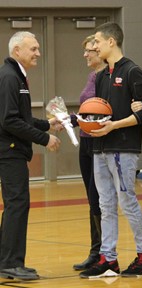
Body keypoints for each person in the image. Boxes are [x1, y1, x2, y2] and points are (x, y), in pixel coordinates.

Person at [79, 22, 142, 279]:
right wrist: (81, 120)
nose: (94, 47)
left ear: (111, 42)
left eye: (98, 43)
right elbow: (100, 109)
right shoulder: (102, 76)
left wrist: (116, 124)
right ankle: (109, 260)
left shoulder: (133, 71)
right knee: (105, 204)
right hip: (99, 147)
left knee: (127, 201)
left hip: (123, 147)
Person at [0, 31, 62, 281]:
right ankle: (11, 263)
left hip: (12, 150)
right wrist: (45, 139)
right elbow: (9, 120)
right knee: (17, 204)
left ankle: (6, 261)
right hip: (9, 152)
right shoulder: (9, 77)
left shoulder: (15, 76)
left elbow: (21, 118)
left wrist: (47, 124)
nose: (38, 53)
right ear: (17, 51)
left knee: (16, 204)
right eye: (33, 49)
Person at [72, 35, 107, 271]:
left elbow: (106, 112)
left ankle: (105, 253)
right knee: (90, 198)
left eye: (89, 51)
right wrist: (72, 119)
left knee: (99, 198)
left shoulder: (109, 76)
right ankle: (95, 251)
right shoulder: (91, 76)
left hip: (99, 144)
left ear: (100, 51)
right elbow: (88, 111)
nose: (85, 55)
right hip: (85, 143)